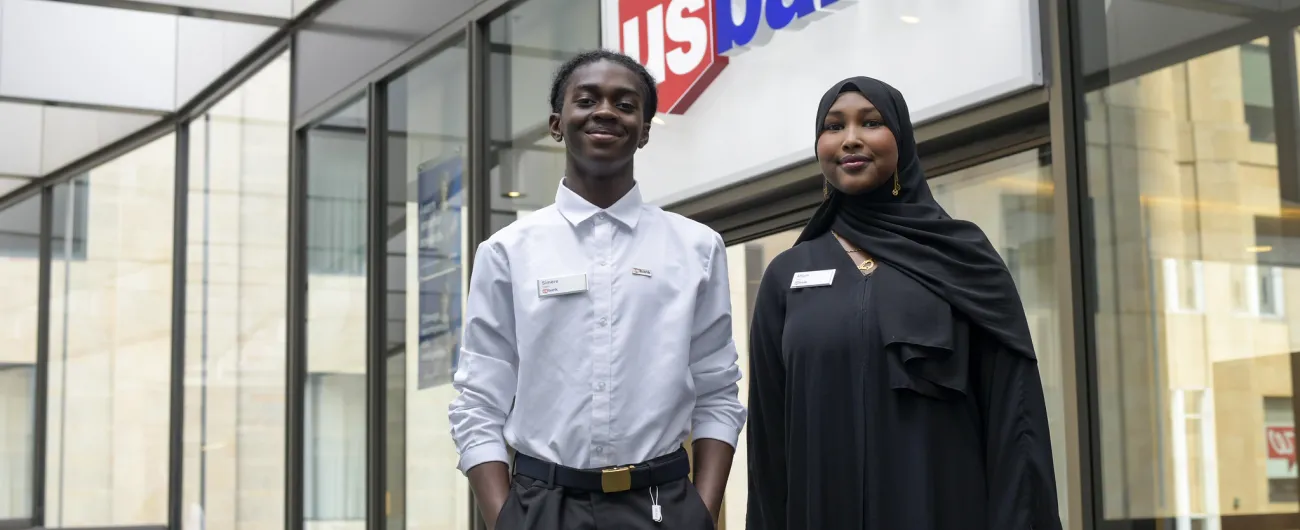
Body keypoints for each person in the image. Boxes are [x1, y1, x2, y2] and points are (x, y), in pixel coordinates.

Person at [745, 76, 1062, 530]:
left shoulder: (962, 256)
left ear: (902, 140)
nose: (851, 138)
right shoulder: (787, 274)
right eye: (834, 127)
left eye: (870, 122)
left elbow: (1017, 418)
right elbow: (769, 442)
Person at [448, 49, 746, 530]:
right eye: (586, 100)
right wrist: (505, 518)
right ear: (556, 123)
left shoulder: (698, 248)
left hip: (663, 508)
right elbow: (478, 400)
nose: (605, 111)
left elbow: (717, 392)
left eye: (625, 104)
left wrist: (701, 512)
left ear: (645, 129)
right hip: (542, 508)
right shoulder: (507, 252)